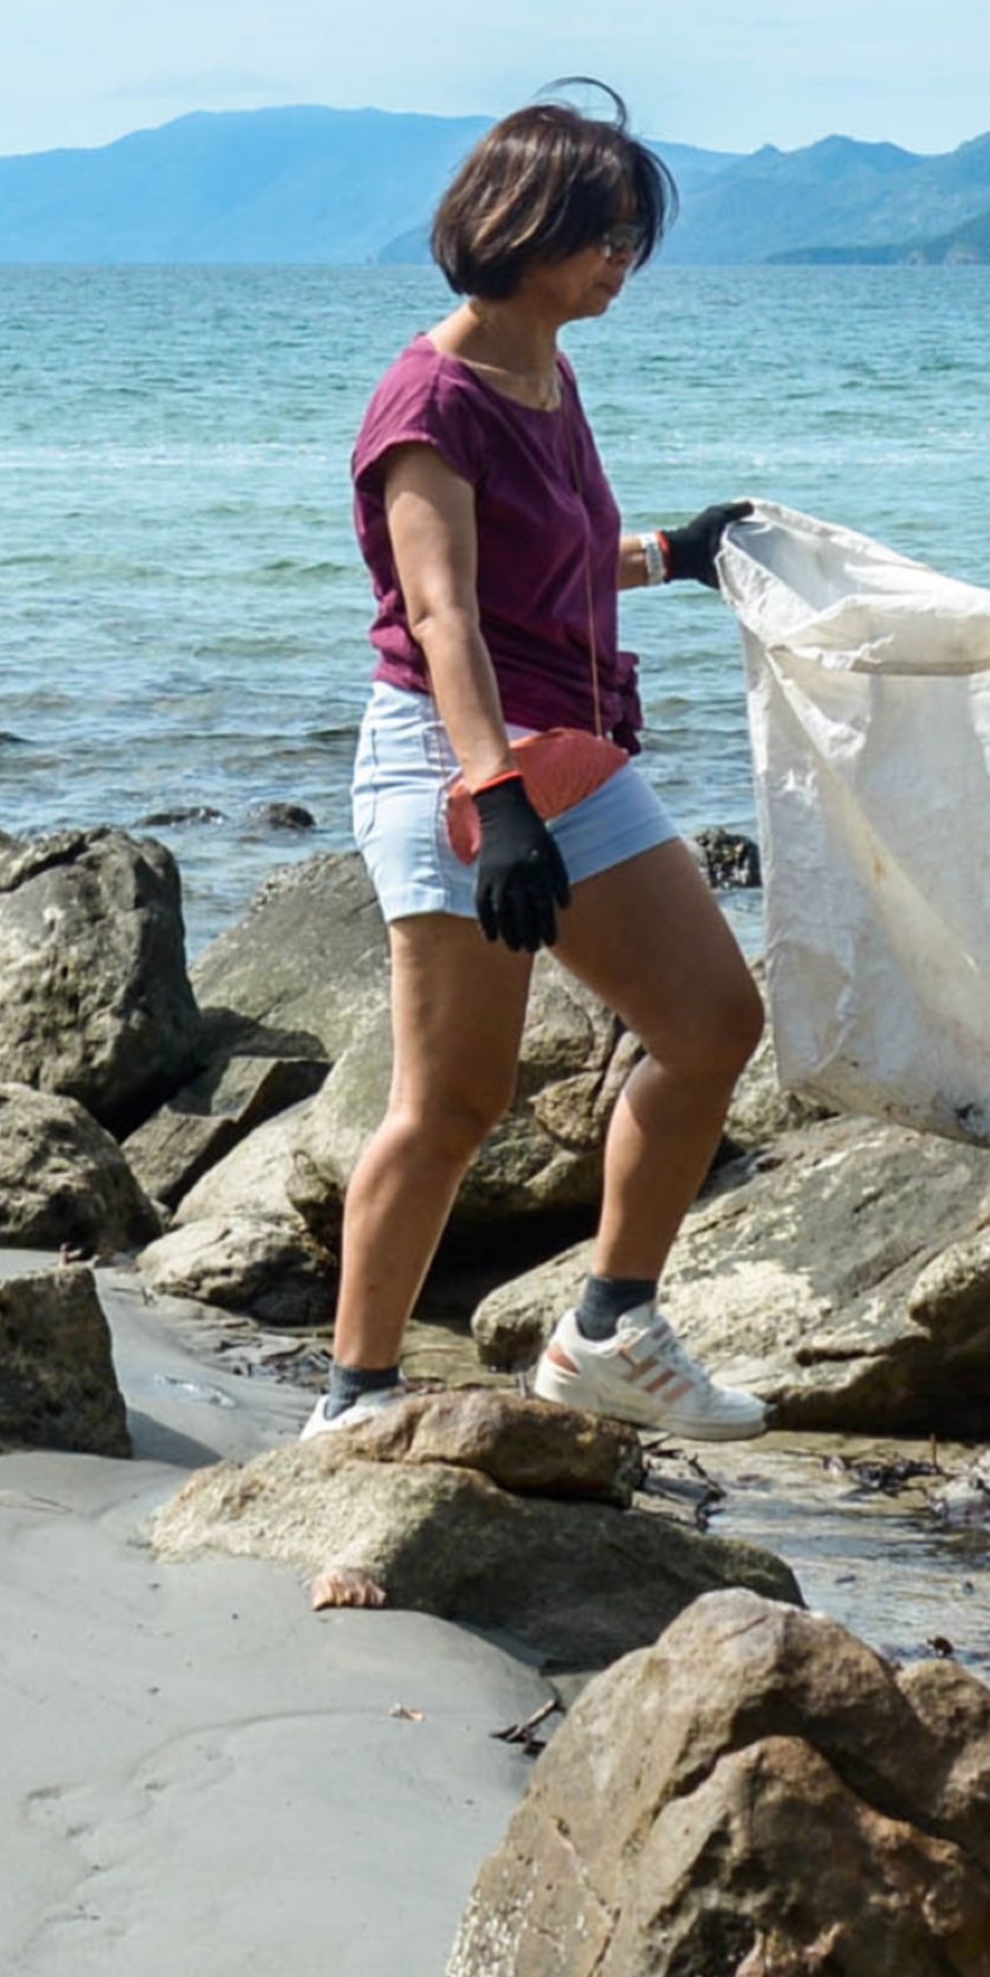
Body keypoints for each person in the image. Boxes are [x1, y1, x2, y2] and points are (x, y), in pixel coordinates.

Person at [318, 87, 769, 1444]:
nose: (622, 260)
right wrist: (497, 800)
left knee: (712, 1025)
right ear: (520, 227)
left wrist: (672, 557)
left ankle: (609, 1331)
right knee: (453, 1103)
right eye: (603, 234)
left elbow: (543, 572)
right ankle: (355, 1402)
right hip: (458, 772)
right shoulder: (429, 400)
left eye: (633, 234)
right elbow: (445, 614)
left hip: (574, 757)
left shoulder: (547, 371)